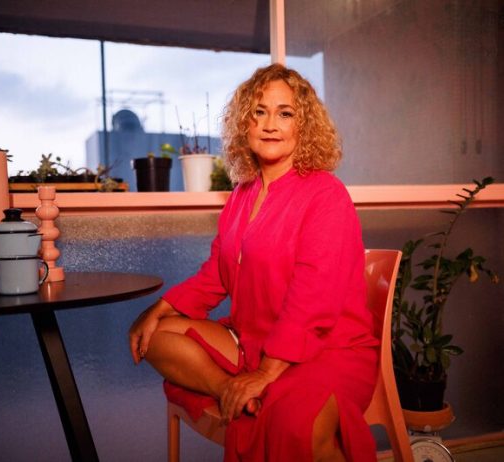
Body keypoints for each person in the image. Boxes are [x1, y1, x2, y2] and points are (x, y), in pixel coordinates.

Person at [129, 63, 379, 462]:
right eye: (259, 112)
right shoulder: (241, 195)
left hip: (327, 349)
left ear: (304, 125)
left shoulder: (326, 194)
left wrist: (266, 372)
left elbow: (312, 299)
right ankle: (232, 391)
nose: (270, 124)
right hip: (254, 340)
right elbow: (217, 272)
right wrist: (160, 308)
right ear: (244, 124)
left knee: (293, 424)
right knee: (156, 336)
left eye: (285, 113)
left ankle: (252, 391)